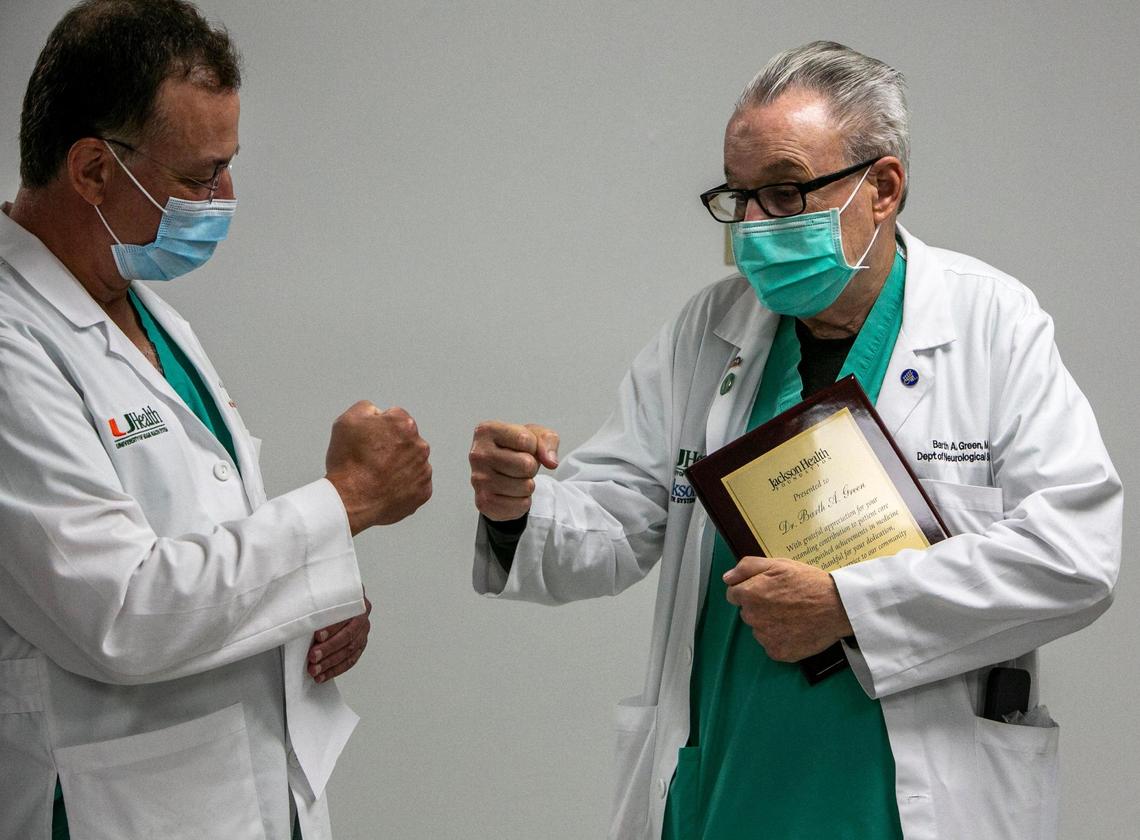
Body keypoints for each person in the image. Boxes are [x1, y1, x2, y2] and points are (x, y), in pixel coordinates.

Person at [468, 41, 1121, 840]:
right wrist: (519, 509)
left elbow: (1074, 556)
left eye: (782, 193)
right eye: (737, 198)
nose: (752, 225)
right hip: (727, 777)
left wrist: (848, 607)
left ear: (882, 189)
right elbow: (614, 525)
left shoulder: (992, 324)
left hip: (902, 796)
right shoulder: (708, 331)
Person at [0, 1, 432, 838]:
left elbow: (205, 540)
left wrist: (313, 595)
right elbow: (122, 613)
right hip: (112, 805)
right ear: (92, 170)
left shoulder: (142, 311)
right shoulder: (13, 345)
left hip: (239, 791)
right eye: (201, 175)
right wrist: (342, 505)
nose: (225, 197)